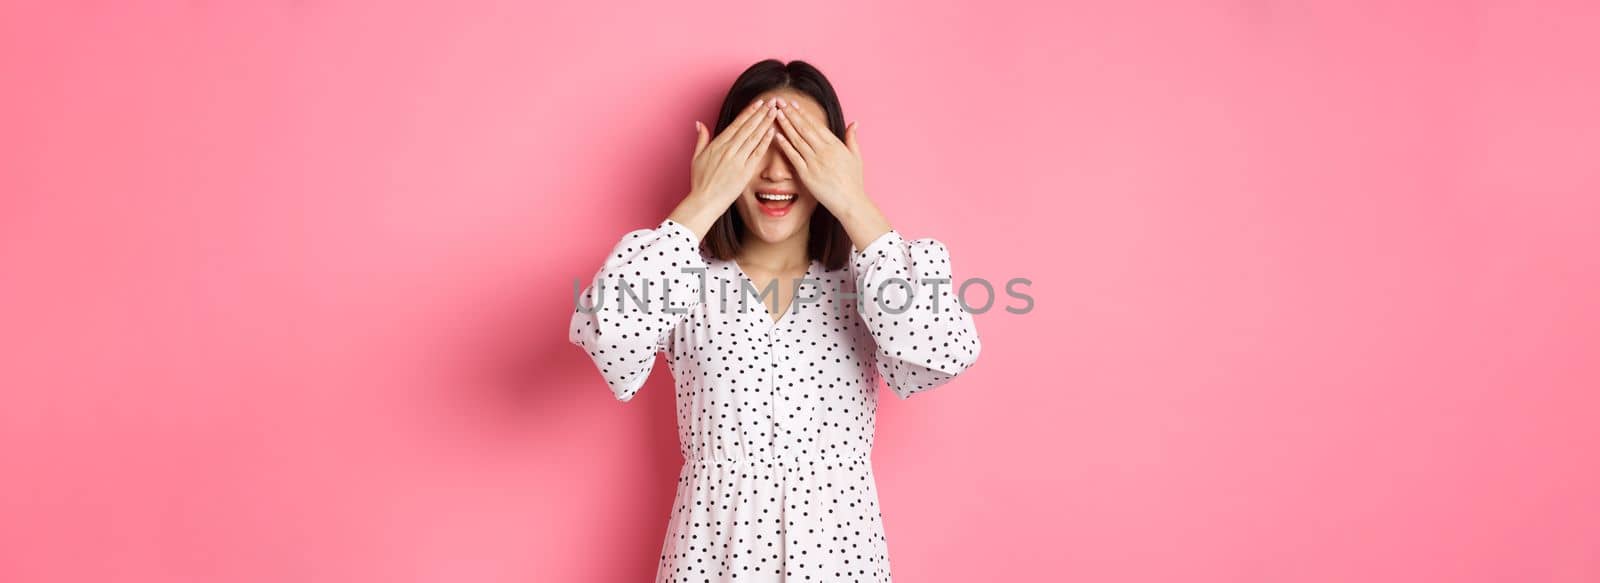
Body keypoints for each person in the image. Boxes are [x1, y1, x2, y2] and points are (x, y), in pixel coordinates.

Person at [568, 58, 981, 582]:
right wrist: (703, 200)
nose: (778, 172)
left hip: (839, 560)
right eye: (756, 147)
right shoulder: (682, 276)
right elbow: (608, 337)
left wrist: (855, 203)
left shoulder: (870, 280)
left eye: (801, 149)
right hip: (710, 559)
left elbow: (944, 351)